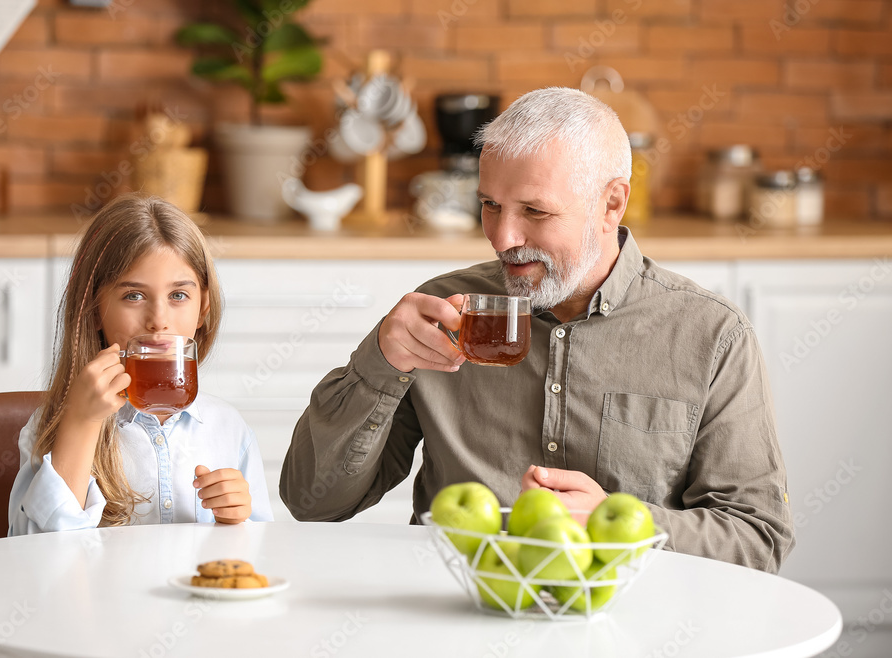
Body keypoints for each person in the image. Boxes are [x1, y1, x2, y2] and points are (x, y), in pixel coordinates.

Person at [280, 87, 794, 573]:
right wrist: (379, 365)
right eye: (489, 205)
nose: (503, 237)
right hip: (449, 619)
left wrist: (625, 528)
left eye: (535, 211)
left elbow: (758, 539)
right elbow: (313, 502)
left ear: (612, 204)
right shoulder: (440, 314)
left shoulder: (712, 336)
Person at [9, 195, 272, 535]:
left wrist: (238, 522)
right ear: (93, 308)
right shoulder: (50, 428)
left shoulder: (230, 429)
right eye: (133, 295)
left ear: (203, 307)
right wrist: (81, 423)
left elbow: (258, 557)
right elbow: (34, 563)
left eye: (178, 295)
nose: (158, 320)